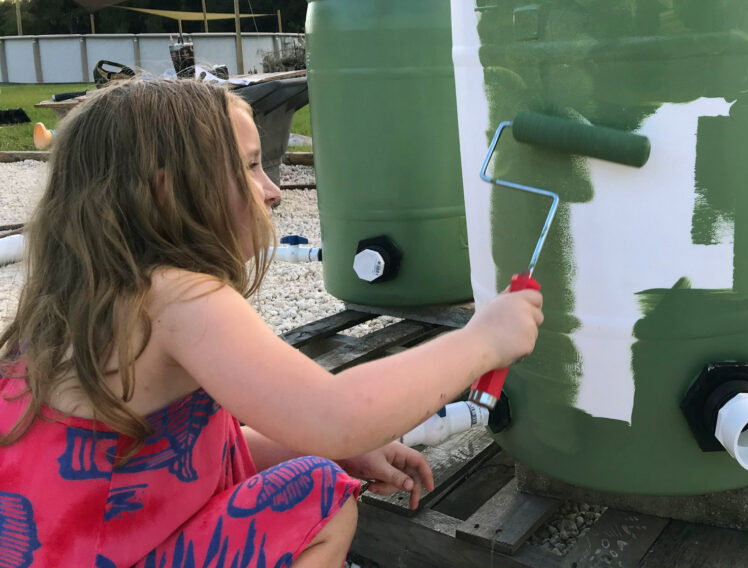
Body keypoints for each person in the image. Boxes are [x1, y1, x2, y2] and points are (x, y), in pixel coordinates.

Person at [0, 79, 543, 568]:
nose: (273, 190)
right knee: (318, 497)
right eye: (250, 166)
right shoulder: (176, 295)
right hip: (106, 551)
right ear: (166, 190)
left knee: (316, 464)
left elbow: (185, 452)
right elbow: (336, 413)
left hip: (66, 544)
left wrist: (323, 445)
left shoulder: (81, 298)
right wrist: (482, 341)